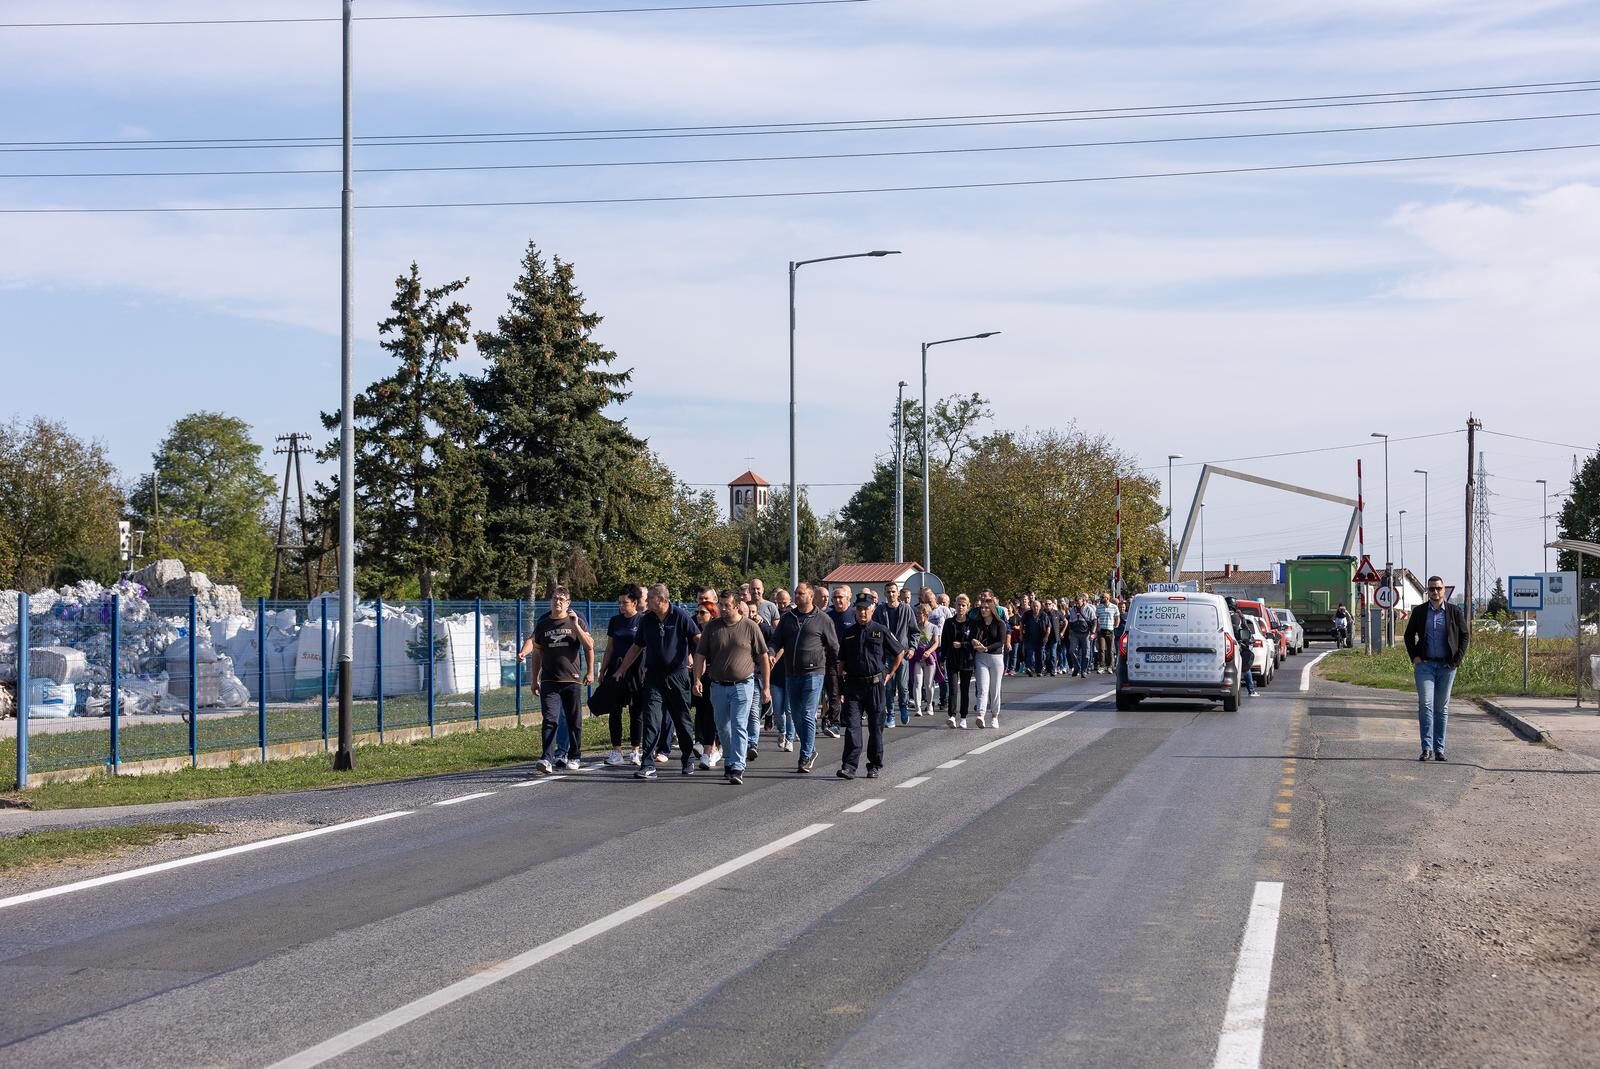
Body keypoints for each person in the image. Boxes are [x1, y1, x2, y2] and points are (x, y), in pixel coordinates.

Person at [614, 584, 700, 780]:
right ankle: (648, 763)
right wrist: (622, 669)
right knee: (651, 719)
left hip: (677, 676)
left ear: (661, 600)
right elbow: (636, 647)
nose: (646, 601)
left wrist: (699, 661)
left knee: (682, 719)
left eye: (650, 598)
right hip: (653, 676)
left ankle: (687, 758)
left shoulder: (680, 616)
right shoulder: (647, 620)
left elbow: (698, 638)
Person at [694, 590, 770, 786]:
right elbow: (701, 655)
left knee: (738, 724)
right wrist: (697, 679)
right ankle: (729, 758)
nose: (723, 609)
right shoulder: (712, 627)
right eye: (722, 605)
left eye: (727, 605)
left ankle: (737, 766)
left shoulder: (750, 627)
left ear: (737, 606)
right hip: (718, 685)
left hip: (743, 685)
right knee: (722, 727)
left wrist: (766, 687)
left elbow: (762, 656)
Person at [517, 586, 594, 773]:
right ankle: (547, 758)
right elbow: (537, 652)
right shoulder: (543, 624)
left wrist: (590, 671)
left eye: (562, 599)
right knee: (550, 719)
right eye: (555, 598)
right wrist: (534, 679)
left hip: (572, 680)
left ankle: (574, 755)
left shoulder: (577, 621)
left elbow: (589, 646)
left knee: (573, 721)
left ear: (568, 603)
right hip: (549, 681)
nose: (557, 602)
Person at [837, 593, 905, 780]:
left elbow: (899, 652)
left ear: (872, 609)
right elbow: (841, 660)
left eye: (866, 608)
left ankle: (874, 764)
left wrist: (890, 674)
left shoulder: (881, 630)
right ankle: (849, 766)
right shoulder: (849, 633)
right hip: (853, 686)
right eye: (859, 609)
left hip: (875, 686)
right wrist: (840, 684)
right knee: (852, 727)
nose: (862, 612)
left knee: (876, 727)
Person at [775, 581, 839, 774]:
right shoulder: (788, 618)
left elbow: (834, 647)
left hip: (814, 673)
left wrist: (834, 669)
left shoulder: (823, 619)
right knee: (795, 716)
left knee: (808, 714)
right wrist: (771, 651)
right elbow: (776, 640)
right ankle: (810, 749)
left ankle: (804, 755)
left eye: (801, 593)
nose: (797, 596)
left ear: (811, 596)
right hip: (792, 673)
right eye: (796, 593)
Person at [1403, 576, 1469, 762]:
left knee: (1441, 708)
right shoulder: (1420, 612)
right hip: (1425, 665)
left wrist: (1456, 660)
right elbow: (1409, 635)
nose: (1435, 592)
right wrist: (1414, 656)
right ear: (1428, 591)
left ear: (1444, 590)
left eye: (1438, 588)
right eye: (1432, 589)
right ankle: (1426, 748)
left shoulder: (1454, 612)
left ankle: (1439, 749)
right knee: (1426, 705)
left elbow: (1465, 636)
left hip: (1447, 666)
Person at [596, 584, 647, 767]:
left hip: (636, 672)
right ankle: (616, 750)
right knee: (615, 711)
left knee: (636, 712)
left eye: (625, 602)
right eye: (619, 602)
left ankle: (635, 750)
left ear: (634, 603)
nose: (621, 606)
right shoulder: (615, 621)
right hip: (616, 671)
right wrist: (603, 671)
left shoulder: (643, 620)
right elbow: (610, 648)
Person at [875, 580, 914, 727]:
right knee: (888, 686)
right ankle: (890, 713)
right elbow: (875, 630)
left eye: (893, 591)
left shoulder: (906, 609)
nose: (891, 594)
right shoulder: (880, 610)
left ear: (898, 593)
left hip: (902, 654)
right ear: (885, 593)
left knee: (903, 686)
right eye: (888, 592)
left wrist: (912, 648)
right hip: (885, 654)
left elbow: (914, 631)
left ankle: (903, 706)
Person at [940, 593, 977, 727]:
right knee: (953, 689)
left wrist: (962, 645)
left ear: (967, 607)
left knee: (965, 689)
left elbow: (974, 643)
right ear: (954, 606)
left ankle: (963, 717)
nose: (960, 608)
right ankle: (952, 715)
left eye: (963, 605)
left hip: (967, 660)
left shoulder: (972, 624)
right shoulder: (949, 622)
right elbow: (944, 641)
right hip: (952, 659)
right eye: (958, 605)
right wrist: (941, 658)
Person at [972, 595, 1008, 729]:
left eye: (986, 608)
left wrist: (986, 648)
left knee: (995, 688)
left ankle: (994, 715)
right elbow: (972, 637)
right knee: (982, 688)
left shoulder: (1000, 624)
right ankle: (980, 714)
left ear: (992, 609)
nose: (983, 610)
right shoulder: (977, 623)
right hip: (981, 658)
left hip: (996, 658)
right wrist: (974, 641)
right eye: (982, 608)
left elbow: (1001, 642)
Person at [823, 585, 854, 738]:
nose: (837, 600)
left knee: (850, 692)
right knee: (834, 692)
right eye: (835, 597)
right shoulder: (827, 615)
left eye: (840, 597)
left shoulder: (855, 614)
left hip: (852, 660)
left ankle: (850, 718)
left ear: (848, 598)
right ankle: (834, 723)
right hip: (832, 660)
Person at [907, 602, 940, 716]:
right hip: (917, 657)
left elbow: (936, 642)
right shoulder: (915, 626)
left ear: (926, 614)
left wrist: (929, 651)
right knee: (917, 682)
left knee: (929, 683)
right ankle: (918, 708)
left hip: (929, 656)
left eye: (920, 613)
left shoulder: (933, 627)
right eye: (917, 613)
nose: (918, 615)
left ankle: (929, 704)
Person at [1228, 599, 1259, 698]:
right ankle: (1251, 690)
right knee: (1246, 668)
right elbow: (1246, 631)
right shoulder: (1238, 617)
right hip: (1237, 645)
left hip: (1223, 645)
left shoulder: (1222, 614)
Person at [1094, 593, 1120, 674]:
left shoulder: (1114, 607)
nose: (1101, 598)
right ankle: (1102, 666)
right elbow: (1096, 618)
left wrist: (1116, 624)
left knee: (1110, 650)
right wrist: (1097, 628)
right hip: (1102, 630)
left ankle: (1110, 666)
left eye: (1102, 597)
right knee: (1101, 649)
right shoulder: (1099, 608)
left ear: (1107, 598)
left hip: (1110, 631)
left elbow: (1117, 617)